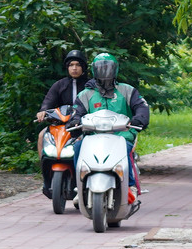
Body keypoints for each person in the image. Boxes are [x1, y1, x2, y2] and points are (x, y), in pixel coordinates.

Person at [74, 53, 150, 200]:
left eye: (108, 68)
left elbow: (141, 106)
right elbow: (76, 111)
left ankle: (130, 185)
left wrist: (139, 119)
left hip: (121, 135)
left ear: (115, 70)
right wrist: (75, 121)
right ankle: (80, 185)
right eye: (100, 68)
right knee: (77, 147)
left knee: (126, 150)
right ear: (94, 70)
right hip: (93, 136)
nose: (105, 72)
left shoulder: (127, 90)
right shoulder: (86, 93)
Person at [36, 50, 89, 195]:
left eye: (78, 65)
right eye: (71, 65)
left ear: (83, 67)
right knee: (42, 135)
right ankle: (45, 170)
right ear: (67, 67)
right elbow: (48, 101)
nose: (74, 68)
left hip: (84, 126)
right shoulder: (59, 85)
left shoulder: (91, 85)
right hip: (61, 125)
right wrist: (43, 111)